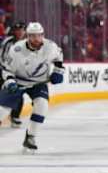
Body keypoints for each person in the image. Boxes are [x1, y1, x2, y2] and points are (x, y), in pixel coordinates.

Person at [0, 22, 64, 152]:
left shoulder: (50, 47)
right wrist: (10, 81)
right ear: (27, 36)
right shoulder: (16, 49)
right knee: (2, 111)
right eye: (33, 36)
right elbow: (6, 70)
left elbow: (59, 58)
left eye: (39, 35)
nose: (36, 39)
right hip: (18, 81)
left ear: (43, 35)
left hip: (38, 83)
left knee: (42, 106)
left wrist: (58, 71)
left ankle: (30, 137)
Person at [0, 21, 26, 127]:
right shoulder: (8, 42)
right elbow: (2, 58)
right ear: (14, 31)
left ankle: (15, 117)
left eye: (21, 30)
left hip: (18, 73)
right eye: (17, 30)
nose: (19, 32)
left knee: (18, 94)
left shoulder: (27, 43)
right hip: (4, 71)